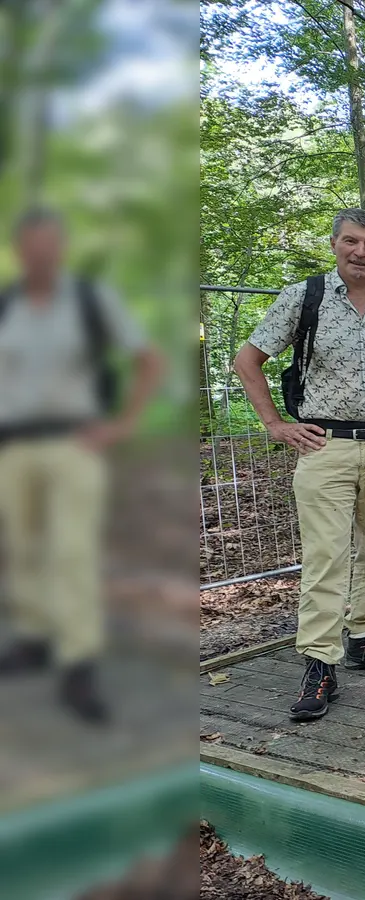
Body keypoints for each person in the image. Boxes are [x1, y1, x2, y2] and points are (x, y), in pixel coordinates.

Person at [233, 208, 365, 721]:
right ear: (334, 245)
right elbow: (247, 359)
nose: (360, 252)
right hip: (324, 447)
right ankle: (319, 661)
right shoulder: (303, 297)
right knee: (326, 555)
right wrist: (275, 424)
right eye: (351, 242)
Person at [0, 208, 163, 723]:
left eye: (49, 243)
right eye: (30, 244)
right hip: (12, 445)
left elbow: (147, 359)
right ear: (19, 249)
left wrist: (122, 424)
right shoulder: (8, 304)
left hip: (75, 443)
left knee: (72, 552)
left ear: (61, 246)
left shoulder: (91, 300)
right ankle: (32, 640)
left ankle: (78, 666)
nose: (39, 253)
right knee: (22, 547)